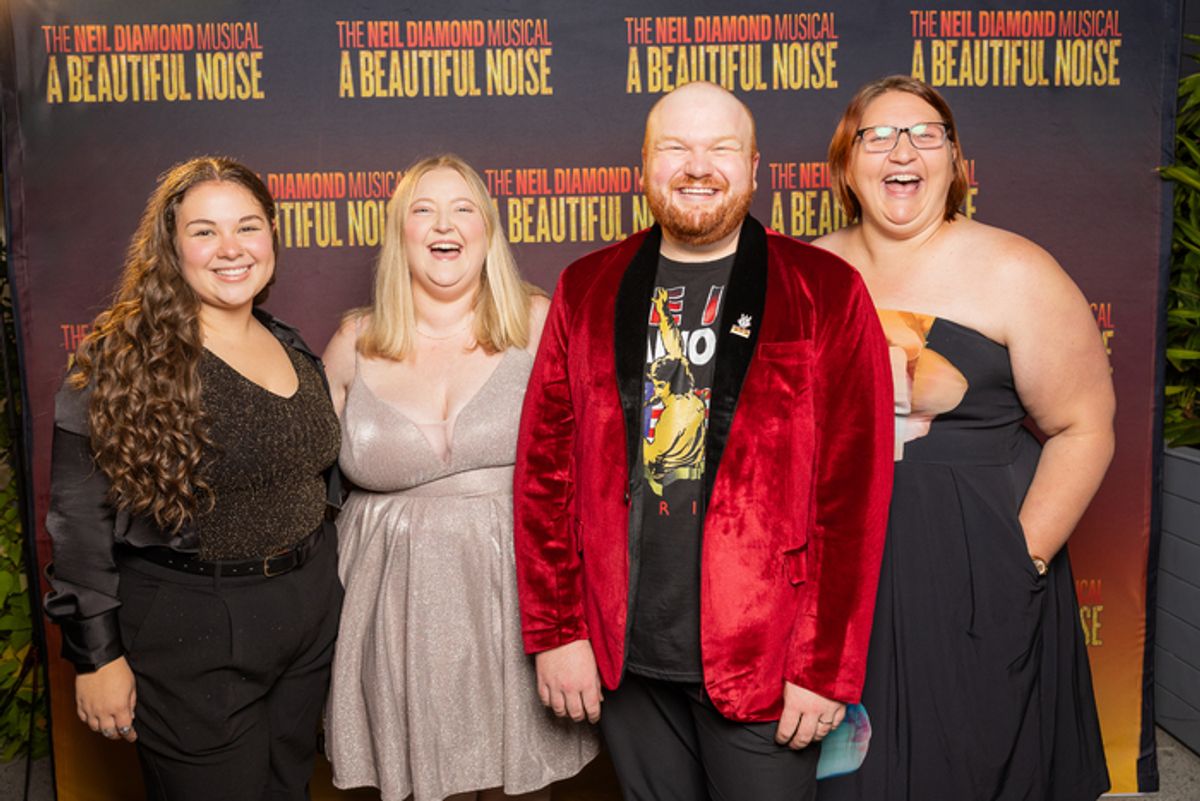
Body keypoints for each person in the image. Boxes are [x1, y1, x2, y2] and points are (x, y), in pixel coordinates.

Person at [513, 81, 894, 801]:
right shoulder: (587, 286)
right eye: (676, 148)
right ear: (645, 166)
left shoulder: (826, 290)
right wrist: (556, 631)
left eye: (721, 148)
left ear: (755, 166)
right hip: (623, 655)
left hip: (765, 658)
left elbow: (854, 497)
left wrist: (824, 666)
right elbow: (544, 474)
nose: (698, 166)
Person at [814, 75, 1114, 801]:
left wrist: (1024, 554)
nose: (902, 148)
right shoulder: (811, 271)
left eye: (925, 134)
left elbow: (1084, 426)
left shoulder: (1016, 269)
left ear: (954, 163)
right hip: (845, 568)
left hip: (979, 565)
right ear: (846, 167)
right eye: (876, 135)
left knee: (977, 760)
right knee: (851, 768)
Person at [44, 156, 344, 801]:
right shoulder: (122, 359)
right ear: (171, 247)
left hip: (307, 612)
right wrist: (98, 657)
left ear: (272, 236)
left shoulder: (288, 342)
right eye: (204, 231)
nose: (231, 248)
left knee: (287, 788)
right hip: (194, 626)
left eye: (249, 226)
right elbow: (77, 523)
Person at [321, 154, 598, 801]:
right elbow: (298, 488)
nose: (443, 225)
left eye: (462, 208)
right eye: (423, 210)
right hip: (390, 620)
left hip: (517, 616)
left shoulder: (539, 324)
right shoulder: (351, 344)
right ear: (400, 234)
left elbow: (597, 471)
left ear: (488, 230)